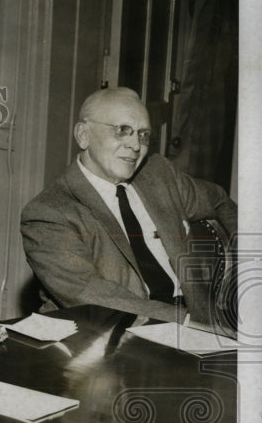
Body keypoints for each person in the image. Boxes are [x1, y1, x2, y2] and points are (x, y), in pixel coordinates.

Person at [20, 87, 238, 326]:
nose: (135, 145)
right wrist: (186, 323)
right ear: (83, 135)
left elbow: (220, 201)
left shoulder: (159, 174)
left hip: (198, 325)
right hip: (108, 337)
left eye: (143, 134)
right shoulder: (49, 213)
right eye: (122, 131)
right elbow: (92, 296)